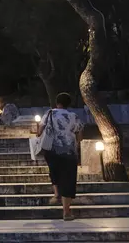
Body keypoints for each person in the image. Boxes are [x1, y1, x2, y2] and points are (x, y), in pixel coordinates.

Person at [37, 92, 83, 221]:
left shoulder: (49, 113)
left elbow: (39, 132)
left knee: (54, 171)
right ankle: (66, 212)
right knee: (68, 179)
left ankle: (57, 193)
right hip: (69, 152)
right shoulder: (74, 116)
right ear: (69, 104)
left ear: (57, 102)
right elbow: (80, 137)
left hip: (52, 150)